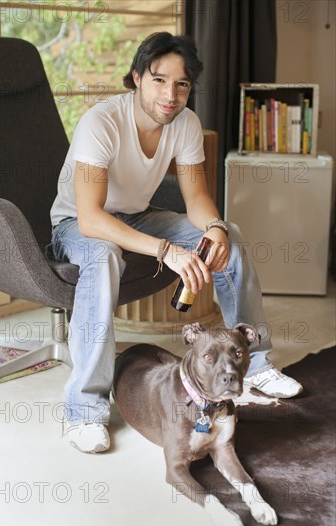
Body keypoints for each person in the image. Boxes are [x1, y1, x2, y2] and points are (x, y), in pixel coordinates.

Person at [50, 32, 302, 454]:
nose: (170, 94)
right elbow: (92, 216)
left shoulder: (184, 123)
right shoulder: (102, 122)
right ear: (136, 78)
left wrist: (216, 228)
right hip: (78, 223)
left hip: (137, 215)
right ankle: (84, 408)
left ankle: (255, 365)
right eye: (159, 80)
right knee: (102, 254)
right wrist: (166, 250)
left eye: (181, 84)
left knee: (232, 237)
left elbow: (197, 199)